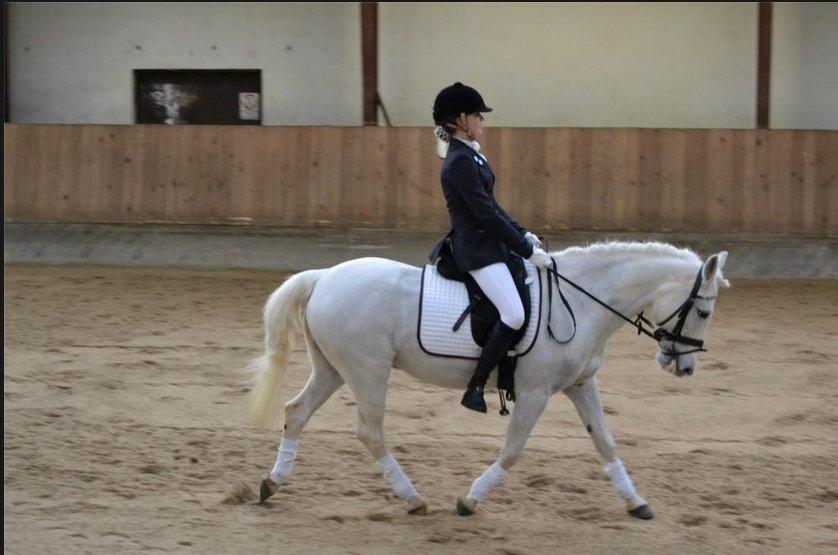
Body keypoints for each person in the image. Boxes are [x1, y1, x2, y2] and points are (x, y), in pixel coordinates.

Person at [430, 82, 553, 413]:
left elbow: (493, 207)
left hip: (492, 244)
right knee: (514, 313)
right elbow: (484, 215)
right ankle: (476, 384)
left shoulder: (472, 156)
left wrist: (523, 234)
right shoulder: (458, 162)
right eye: (477, 116)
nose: (482, 122)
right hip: (477, 251)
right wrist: (527, 252)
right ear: (460, 120)